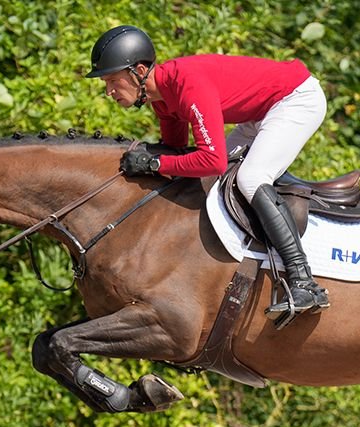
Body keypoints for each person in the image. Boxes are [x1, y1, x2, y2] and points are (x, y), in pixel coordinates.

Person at [86, 25, 330, 323]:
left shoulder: (187, 85)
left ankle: (304, 281)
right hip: (259, 114)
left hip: (296, 99)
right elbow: (175, 152)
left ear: (139, 71)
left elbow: (211, 161)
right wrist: (149, 161)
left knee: (251, 178)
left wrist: (154, 165)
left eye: (113, 80)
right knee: (211, 180)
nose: (109, 91)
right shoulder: (161, 100)